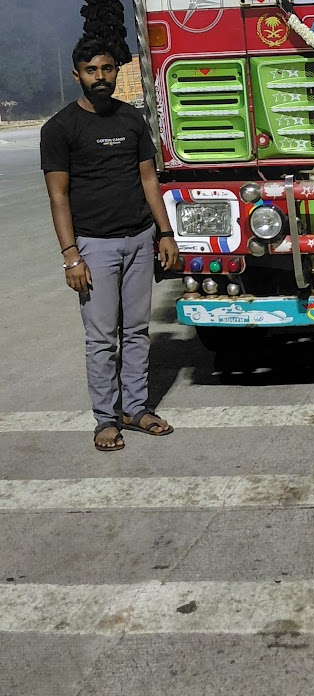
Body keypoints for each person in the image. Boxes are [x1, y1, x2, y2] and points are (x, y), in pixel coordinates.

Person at [40, 37, 182, 450]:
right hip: (93, 247)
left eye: (106, 69)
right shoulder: (60, 128)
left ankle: (136, 409)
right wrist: (71, 257)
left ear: (116, 71)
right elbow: (58, 196)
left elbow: (148, 179)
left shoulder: (132, 120)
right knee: (102, 338)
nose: (100, 77)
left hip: (139, 239)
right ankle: (105, 419)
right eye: (91, 70)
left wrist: (165, 233)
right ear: (77, 74)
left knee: (137, 330)